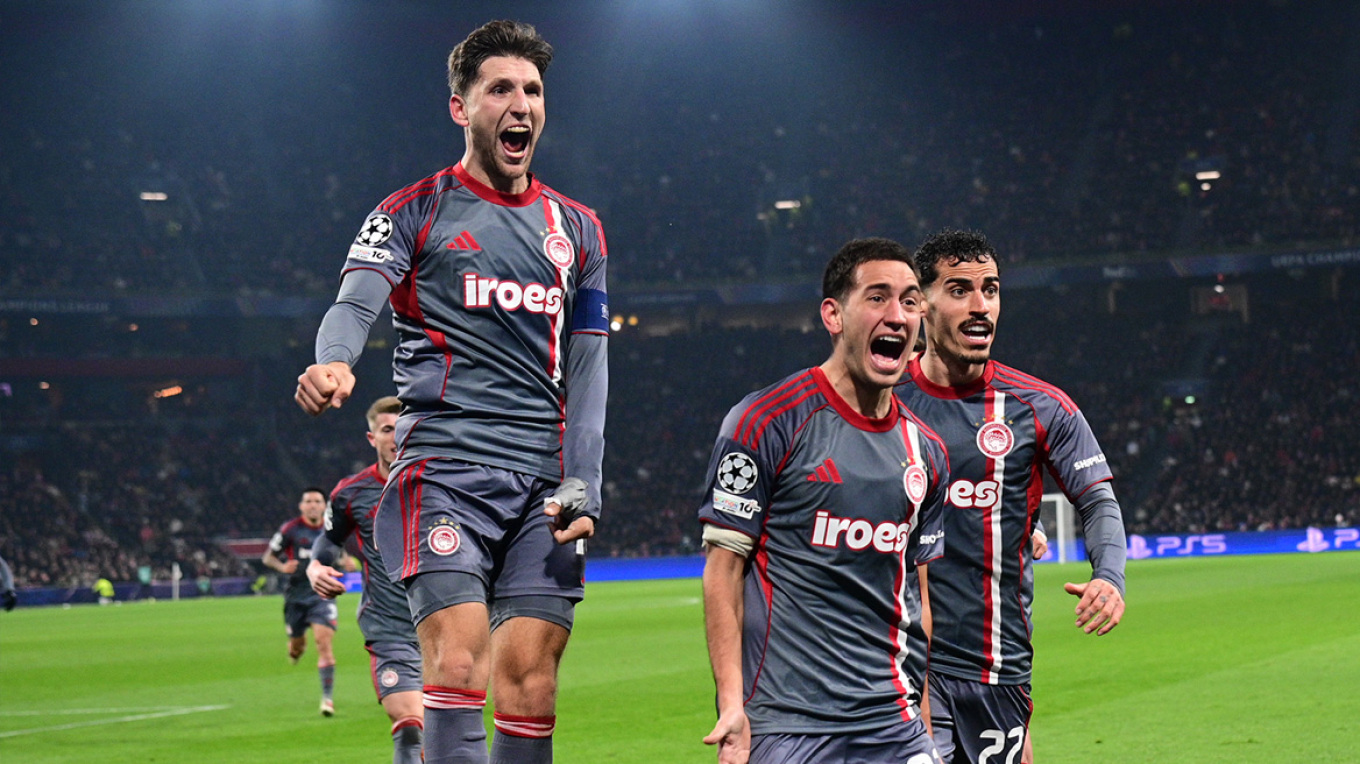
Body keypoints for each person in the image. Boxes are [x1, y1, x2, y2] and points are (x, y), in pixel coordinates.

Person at [294, 19, 609, 764]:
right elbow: (354, 303)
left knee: (531, 683)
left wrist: (586, 479)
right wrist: (334, 361)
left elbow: (591, 365)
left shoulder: (581, 230)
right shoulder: (410, 211)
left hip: (544, 487)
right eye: (500, 89)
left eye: (533, 90)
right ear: (460, 108)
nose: (521, 105)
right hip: (444, 471)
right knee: (460, 659)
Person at [700, 238, 949, 764]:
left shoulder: (927, 451)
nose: (898, 315)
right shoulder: (766, 421)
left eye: (910, 301)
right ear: (833, 315)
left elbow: (918, 602)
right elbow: (724, 572)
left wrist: (923, 721)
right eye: (877, 297)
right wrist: (731, 705)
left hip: (893, 723)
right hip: (790, 725)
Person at [895, 229, 1128, 764]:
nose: (980, 306)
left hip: (996, 667)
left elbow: (1097, 500)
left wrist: (1109, 576)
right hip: (899, 664)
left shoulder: (1040, 407)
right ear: (921, 303)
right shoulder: (883, 398)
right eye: (959, 290)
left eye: (991, 289)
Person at [307, 397, 424, 764]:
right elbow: (329, 539)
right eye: (387, 429)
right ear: (372, 437)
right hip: (390, 628)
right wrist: (315, 566)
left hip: (450, 627)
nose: (396, 437)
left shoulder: (446, 483)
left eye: (404, 428)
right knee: (411, 726)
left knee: (447, 735)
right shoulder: (351, 493)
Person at [264, 487, 344, 717]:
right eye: (308, 501)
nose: (313, 505)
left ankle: (327, 699)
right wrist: (282, 567)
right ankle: (295, 650)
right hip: (295, 597)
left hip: (321, 594)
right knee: (296, 648)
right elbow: (268, 557)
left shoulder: (332, 528)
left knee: (323, 644)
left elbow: (340, 551)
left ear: (324, 506)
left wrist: (346, 561)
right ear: (301, 506)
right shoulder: (291, 529)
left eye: (317, 501)